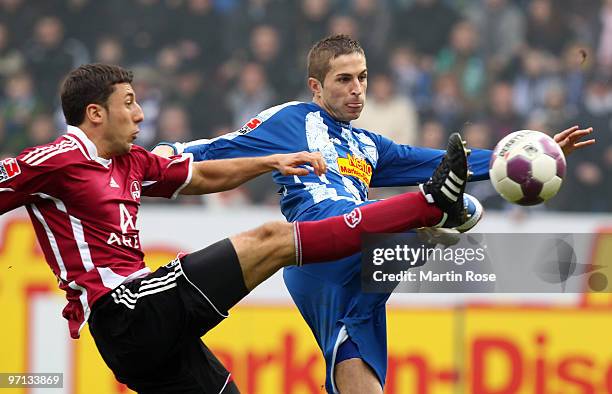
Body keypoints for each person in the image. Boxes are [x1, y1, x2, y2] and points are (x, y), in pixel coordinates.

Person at [0, 63, 483, 393]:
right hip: (122, 310)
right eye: (129, 103)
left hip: (149, 338)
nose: (141, 113)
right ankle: (426, 207)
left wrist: (270, 160)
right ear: (95, 113)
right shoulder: (55, 159)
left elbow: (202, 175)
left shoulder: (131, 162)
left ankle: (424, 213)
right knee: (272, 239)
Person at [155, 35, 595, 393]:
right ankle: (432, 221)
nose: (356, 89)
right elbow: (220, 148)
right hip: (319, 237)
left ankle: (434, 222)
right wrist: (158, 158)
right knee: (445, 212)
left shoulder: (370, 145)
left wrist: (527, 153)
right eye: (344, 79)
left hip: (363, 256)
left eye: (362, 78)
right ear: (316, 87)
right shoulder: (291, 120)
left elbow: (445, 161)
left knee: (356, 359)